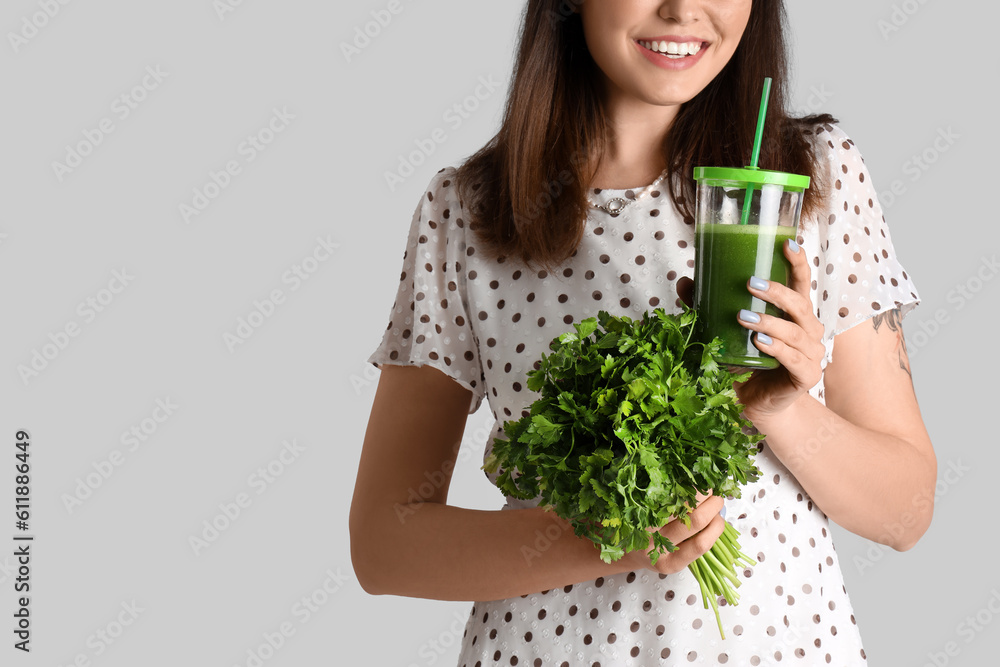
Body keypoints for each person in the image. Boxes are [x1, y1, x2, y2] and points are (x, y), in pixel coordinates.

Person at [350, 1, 937, 664]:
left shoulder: (813, 178)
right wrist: (608, 535)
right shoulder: (469, 211)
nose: (682, 9)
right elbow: (384, 542)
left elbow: (905, 512)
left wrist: (780, 405)